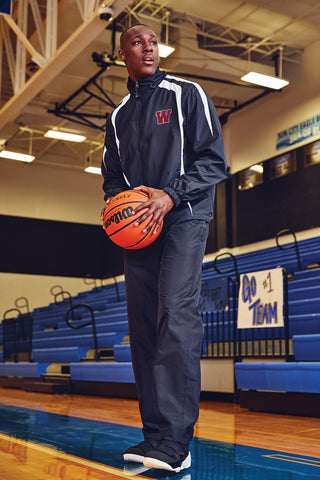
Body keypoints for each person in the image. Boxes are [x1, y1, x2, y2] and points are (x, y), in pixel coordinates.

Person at [101, 24, 227, 473]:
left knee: (175, 313)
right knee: (143, 328)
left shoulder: (186, 93)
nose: (148, 46)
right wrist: (121, 210)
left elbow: (214, 160)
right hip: (141, 228)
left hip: (184, 214)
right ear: (122, 55)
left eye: (153, 41)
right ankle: (153, 435)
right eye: (137, 41)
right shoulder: (116, 119)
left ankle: (177, 442)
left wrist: (169, 195)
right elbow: (113, 181)